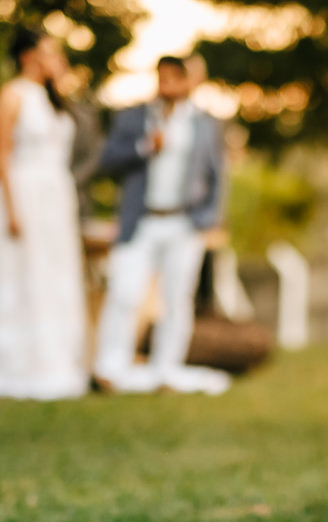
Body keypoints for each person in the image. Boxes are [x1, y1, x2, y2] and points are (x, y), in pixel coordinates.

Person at [0, 29, 88, 400]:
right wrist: (12, 210)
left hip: (55, 201)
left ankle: (53, 364)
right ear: (27, 56)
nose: (55, 59)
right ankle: (6, 365)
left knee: (52, 281)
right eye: (48, 52)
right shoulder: (11, 96)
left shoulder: (52, 99)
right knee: (19, 279)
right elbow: (2, 156)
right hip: (22, 196)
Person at [93, 54, 229, 395]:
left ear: (187, 82)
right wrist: (143, 147)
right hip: (141, 221)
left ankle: (166, 370)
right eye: (161, 78)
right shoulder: (134, 118)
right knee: (124, 292)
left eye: (173, 79)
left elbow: (217, 176)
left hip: (184, 223)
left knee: (176, 298)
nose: (166, 86)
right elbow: (106, 159)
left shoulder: (205, 124)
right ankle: (111, 369)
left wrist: (208, 219)